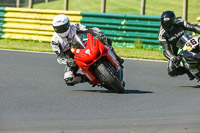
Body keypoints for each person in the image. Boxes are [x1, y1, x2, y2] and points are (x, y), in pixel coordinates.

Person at [51, 14, 124, 86]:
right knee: (68, 78)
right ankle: (88, 78)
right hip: (74, 58)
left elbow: (90, 29)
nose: (61, 31)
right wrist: (68, 61)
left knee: (105, 40)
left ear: (68, 25)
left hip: (85, 46)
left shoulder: (75, 27)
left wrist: (99, 34)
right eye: (58, 29)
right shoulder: (55, 41)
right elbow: (60, 57)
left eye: (63, 28)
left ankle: (116, 58)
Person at [158, 10, 200, 80]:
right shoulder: (162, 34)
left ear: (172, 21)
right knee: (171, 71)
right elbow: (166, 48)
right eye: (164, 23)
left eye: (168, 23)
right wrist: (172, 57)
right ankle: (188, 70)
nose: (166, 25)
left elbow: (194, 27)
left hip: (188, 41)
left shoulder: (180, 22)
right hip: (175, 50)